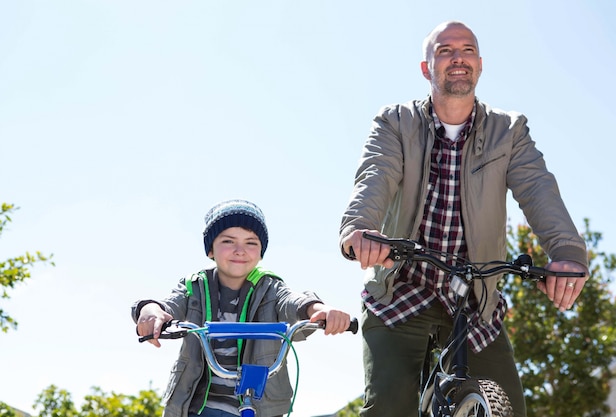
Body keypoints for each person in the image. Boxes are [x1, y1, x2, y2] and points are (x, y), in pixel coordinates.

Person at [339, 21, 589, 417]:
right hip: (402, 289)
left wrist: (566, 251)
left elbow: (538, 189)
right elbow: (375, 177)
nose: (458, 57)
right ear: (426, 68)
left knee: (508, 409)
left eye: (467, 49)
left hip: (476, 298)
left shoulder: (509, 132)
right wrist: (360, 229)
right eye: (445, 50)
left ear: (480, 64)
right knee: (389, 405)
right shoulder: (395, 123)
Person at [133, 199, 352, 417]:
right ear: (211, 249)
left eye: (251, 243)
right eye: (229, 241)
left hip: (260, 404)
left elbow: (291, 302)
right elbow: (170, 304)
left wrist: (317, 310)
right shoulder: (195, 285)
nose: (240, 250)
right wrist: (150, 310)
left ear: (261, 251)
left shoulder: (270, 287)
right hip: (197, 405)